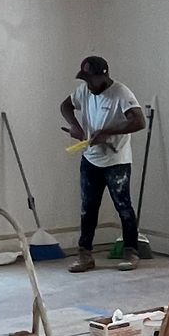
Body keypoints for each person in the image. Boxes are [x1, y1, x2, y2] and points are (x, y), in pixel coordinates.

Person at [60, 55, 151, 269]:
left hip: (116, 160)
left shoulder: (121, 93)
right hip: (90, 158)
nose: (88, 84)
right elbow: (65, 106)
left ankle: (131, 251)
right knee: (88, 208)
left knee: (123, 206)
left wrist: (108, 133)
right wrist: (75, 126)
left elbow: (139, 121)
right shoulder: (84, 92)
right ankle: (85, 254)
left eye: (91, 79)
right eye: (85, 79)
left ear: (104, 76)